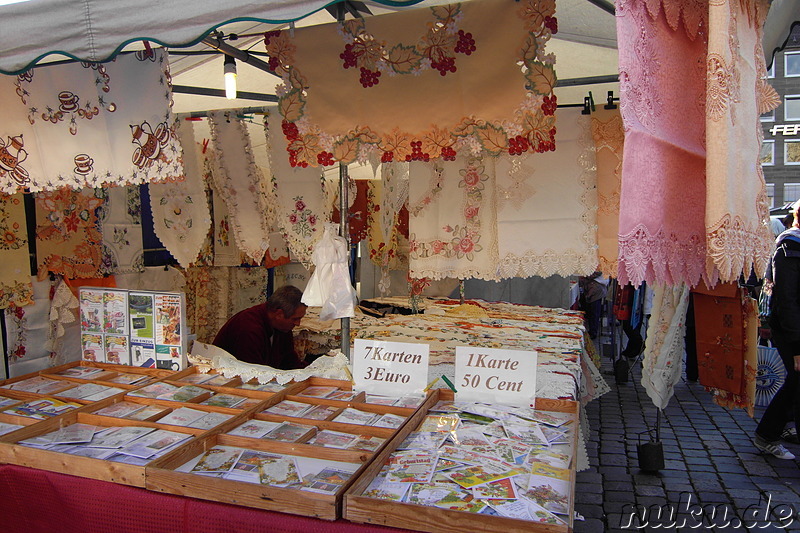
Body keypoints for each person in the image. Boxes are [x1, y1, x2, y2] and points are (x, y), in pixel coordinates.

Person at [754, 201, 800, 460]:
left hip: (792, 326)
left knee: (795, 383)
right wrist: (796, 344)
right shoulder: (789, 246)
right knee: (795, 381)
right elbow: (787, 298)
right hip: (791, 329)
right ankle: (767, 433)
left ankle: (781, 426)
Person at [212, 285, 308, 370]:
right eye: (295, 319)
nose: (298, 323)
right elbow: (252, 372)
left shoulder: (282, 327)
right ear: (279, 314)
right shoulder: (249, 328)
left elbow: (289, 362)